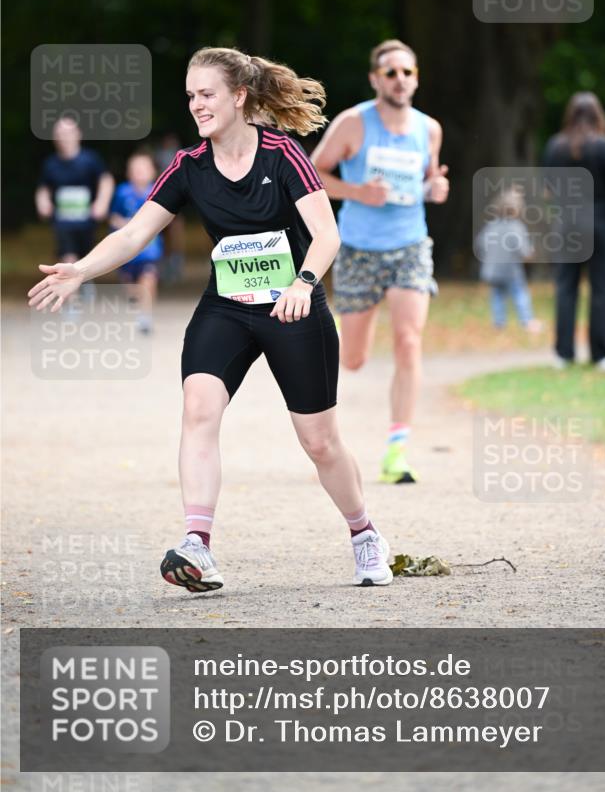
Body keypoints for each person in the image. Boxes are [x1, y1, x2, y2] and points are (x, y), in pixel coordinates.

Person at [28, 47, 393, 591]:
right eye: (191, 96)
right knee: (199, 408)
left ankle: (364, 534)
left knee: (319, 442)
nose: (197, 105)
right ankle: (197, 546)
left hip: (292, 306)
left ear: (238, 96)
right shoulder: (190, 167)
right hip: (227, 306)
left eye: (207, 94)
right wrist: (80, 271)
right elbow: (133, 234)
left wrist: (303, 283)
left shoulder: (281, 154)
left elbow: (326, 234)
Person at [311, 39, 449, 485]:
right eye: (391, 72)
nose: (400, 80)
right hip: (358, 247)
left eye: (407, 72)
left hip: (410, 244)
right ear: (375, 79)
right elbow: (314, 177)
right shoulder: (353, 124)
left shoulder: (429, 129)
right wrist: (357, 192)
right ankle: (334, 328)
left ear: (416, 78)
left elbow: (427, 181)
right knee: (351, 359)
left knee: (409, 340)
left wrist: (437, 190)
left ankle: (397, 450)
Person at [543, 92, 605, 370]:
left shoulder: (556, 146)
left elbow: (546, 189)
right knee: (601, 288)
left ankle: (563, 353)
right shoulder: (604, 146)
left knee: (566, 287)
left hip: (566, 224)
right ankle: (601, 354)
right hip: (599, 223)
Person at [35, 116, 114, 265]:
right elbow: (44, 188)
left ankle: (85, 286)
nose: (64, 138)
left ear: (78, 134)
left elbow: (106, 180)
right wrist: (43, 203)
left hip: (87, 221)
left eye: (68, 133)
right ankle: (71, 287)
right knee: (68, 259)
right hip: (63, 222)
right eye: (59, 134)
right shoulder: (50, 164)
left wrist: (101, 203)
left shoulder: (90, 159)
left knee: (86, 261)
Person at [109, 150, 163, 334]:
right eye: (135, 169)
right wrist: (125, 225)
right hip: (126, 249)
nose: (139, 172)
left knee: (148, 278)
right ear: (129, 172)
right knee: (130, 285)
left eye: (143, 168)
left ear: (152, 171)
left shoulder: (158, 191)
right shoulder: (122, 192)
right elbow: (113, 217)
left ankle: (145, 316)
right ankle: (134, 298)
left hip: (149, 250)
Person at [474, 186, 542, 333]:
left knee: (497, 295)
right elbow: (522, 249)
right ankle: (527, 321)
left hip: (492, 270)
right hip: (510, 270)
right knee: (520, 294)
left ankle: (499, 323)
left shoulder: (491, 226)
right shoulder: (516, 227)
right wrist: (530, 253)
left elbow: (480, 243)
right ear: (518, 209)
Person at [154, 133, 186, 284]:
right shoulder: (159, 156)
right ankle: (165, 267)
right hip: (164, 199)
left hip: (177, 201)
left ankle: (175, 265)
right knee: (164, 236)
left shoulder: (180, 155)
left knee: (175, 235)